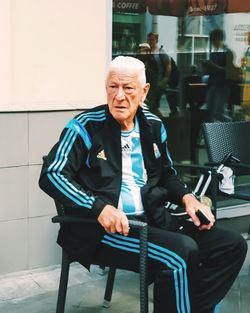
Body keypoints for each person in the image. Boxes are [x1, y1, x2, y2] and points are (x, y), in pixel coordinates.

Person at [39, 56, 247, 313]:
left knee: (232, 245)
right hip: (103, 230)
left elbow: (167, 174)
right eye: (113, 87)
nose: (119, 96)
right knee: (180, 254)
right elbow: (52, 174)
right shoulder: (85, 126)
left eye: (128, 88)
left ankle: (192, 308)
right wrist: (99, 208)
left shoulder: (153, 125)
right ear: (105, 87)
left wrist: (188, 198)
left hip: (153, 220)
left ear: (144, 91)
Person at [202, 29, 236, 122]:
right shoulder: (214, 52)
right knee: (209, 112)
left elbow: (228, 71)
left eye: (214, 40)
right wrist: (207, 66)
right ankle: (212, 133)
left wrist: (213, 66)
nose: (212, 42)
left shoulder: (228, 52)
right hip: (213, 84)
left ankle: (232, 124)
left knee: (217, 113)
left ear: (219, 39)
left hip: (222, 86)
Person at [147, 32, 179, 117]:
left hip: (160, 82)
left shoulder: (161, 52)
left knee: (154, 105)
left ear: (156, 40)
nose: (150, 41)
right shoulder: (148, 52)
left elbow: (168, 65)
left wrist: (165, 79)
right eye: (149, 40)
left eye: (152, 39)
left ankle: (163, 121)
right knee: (153, 106)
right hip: (152, 83)